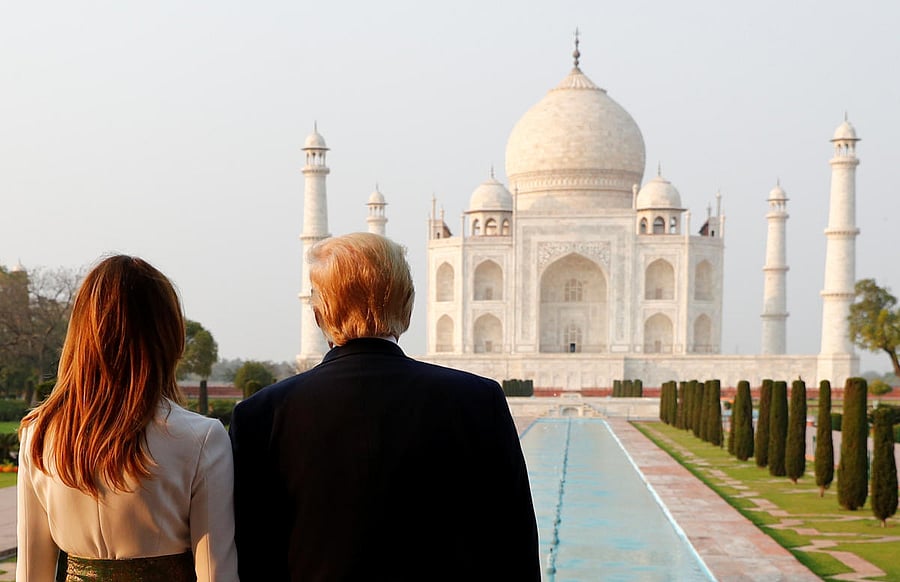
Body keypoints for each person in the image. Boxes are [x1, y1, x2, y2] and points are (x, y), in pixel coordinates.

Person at [229, 232, 540, 581]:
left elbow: (251, 555)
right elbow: (515, 548)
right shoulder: (478, 401)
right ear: (407, 308)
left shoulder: (262, 416)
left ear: (318, 314)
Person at [17, 255, 238, 582]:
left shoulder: (39, 433)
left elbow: (30, 572)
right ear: (166, 333)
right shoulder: (201, 439)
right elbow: (216, 573)